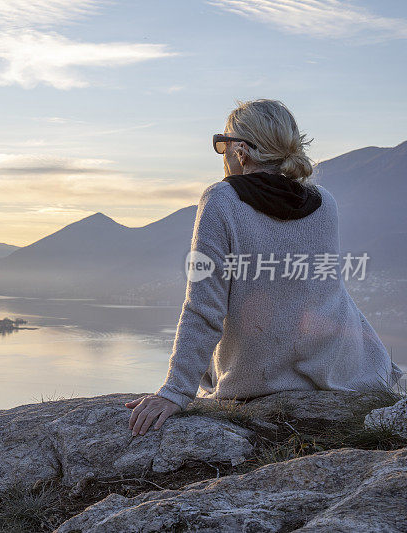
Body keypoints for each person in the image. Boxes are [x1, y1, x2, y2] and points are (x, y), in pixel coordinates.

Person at [126, 98, 404, 437]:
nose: (222, 155)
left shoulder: (220, 200)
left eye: (222, 144)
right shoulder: (324, 202)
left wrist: (174, 392)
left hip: (254, 376)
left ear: (241, 151)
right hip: (336, 367)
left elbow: (204, 308)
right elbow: (319, 292)